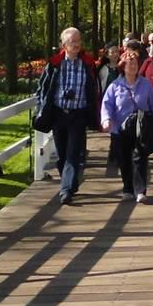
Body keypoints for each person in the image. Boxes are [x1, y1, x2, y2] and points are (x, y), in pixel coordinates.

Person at [35, 27, 101, 204]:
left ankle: (65, 190)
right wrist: (42, 106)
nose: (76, 44)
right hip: (58, 114)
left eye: (78, 40)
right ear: (64, 44)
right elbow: (43, 88)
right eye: (72, 41)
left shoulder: (87, 63)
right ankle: (71, 183)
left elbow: (93, 88)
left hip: (78, 114)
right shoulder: (55, 64)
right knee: (62, 154)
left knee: (73, 153)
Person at [100, 46, 153, 203]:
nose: (133, 67)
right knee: (124, 159)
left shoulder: (145, 84)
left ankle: (141, 190)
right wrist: (106, 120)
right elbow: (106, 105)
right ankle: (127, 188)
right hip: (120, 130)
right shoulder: (115, 86)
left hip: (141, 129)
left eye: (135, 64)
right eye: (129, 64)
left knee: (140, 158)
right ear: (123, 67)